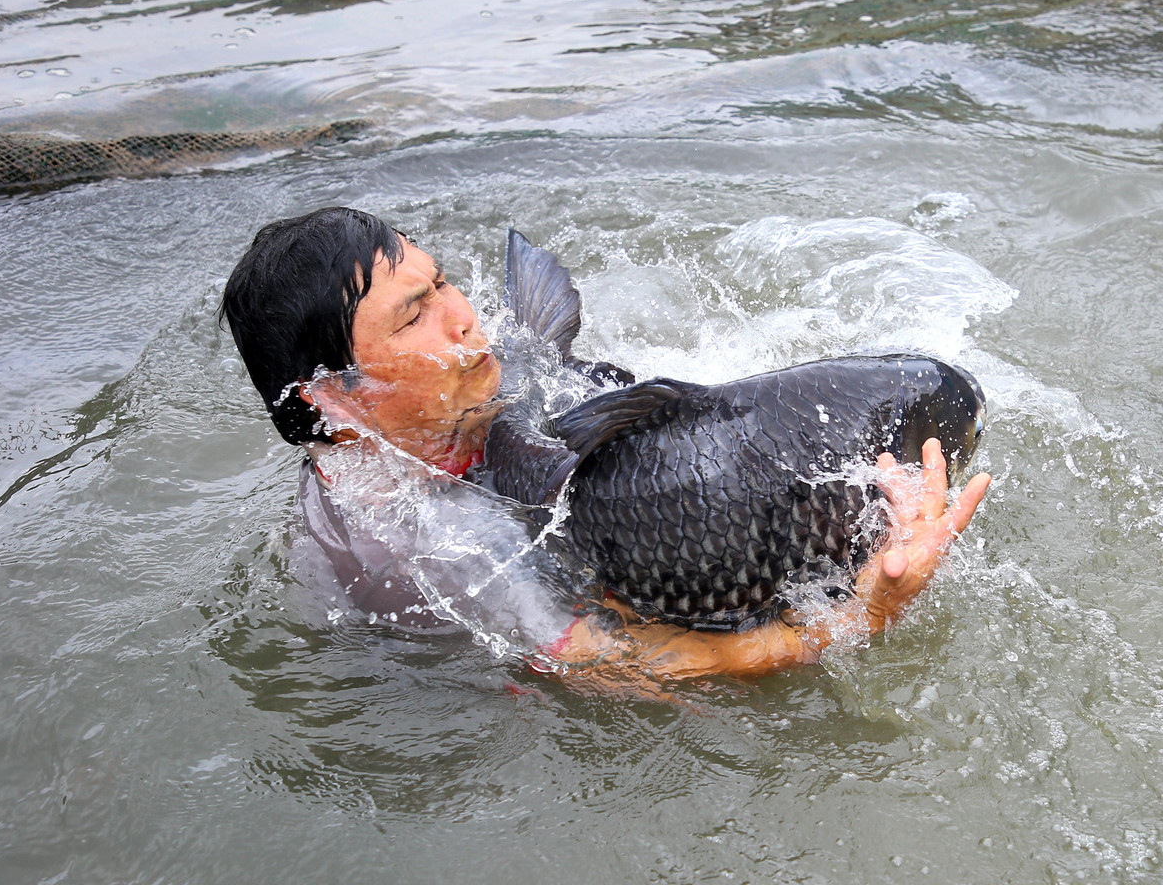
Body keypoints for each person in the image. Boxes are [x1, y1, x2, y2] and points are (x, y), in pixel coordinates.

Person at [220, 207, 991, 687]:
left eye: (444, 281)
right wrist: (868, 610)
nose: (461, 316)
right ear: (333, 396)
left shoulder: (450, 400)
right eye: (414, 314)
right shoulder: (426, 546)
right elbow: (639, 671)